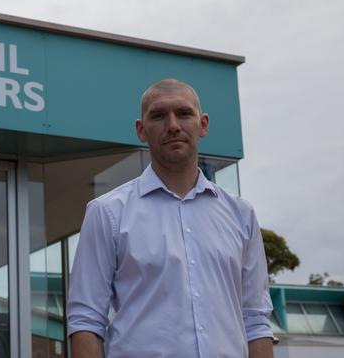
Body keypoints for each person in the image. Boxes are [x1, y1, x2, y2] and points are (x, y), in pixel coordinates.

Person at [67, 79, 274, 358]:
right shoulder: (106, 213)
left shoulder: (241, 215)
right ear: (141, 130)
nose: (173, 125)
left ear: (203, 125)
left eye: (184, 113)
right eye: (158, 115)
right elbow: (85, 321)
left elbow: (256, 320)